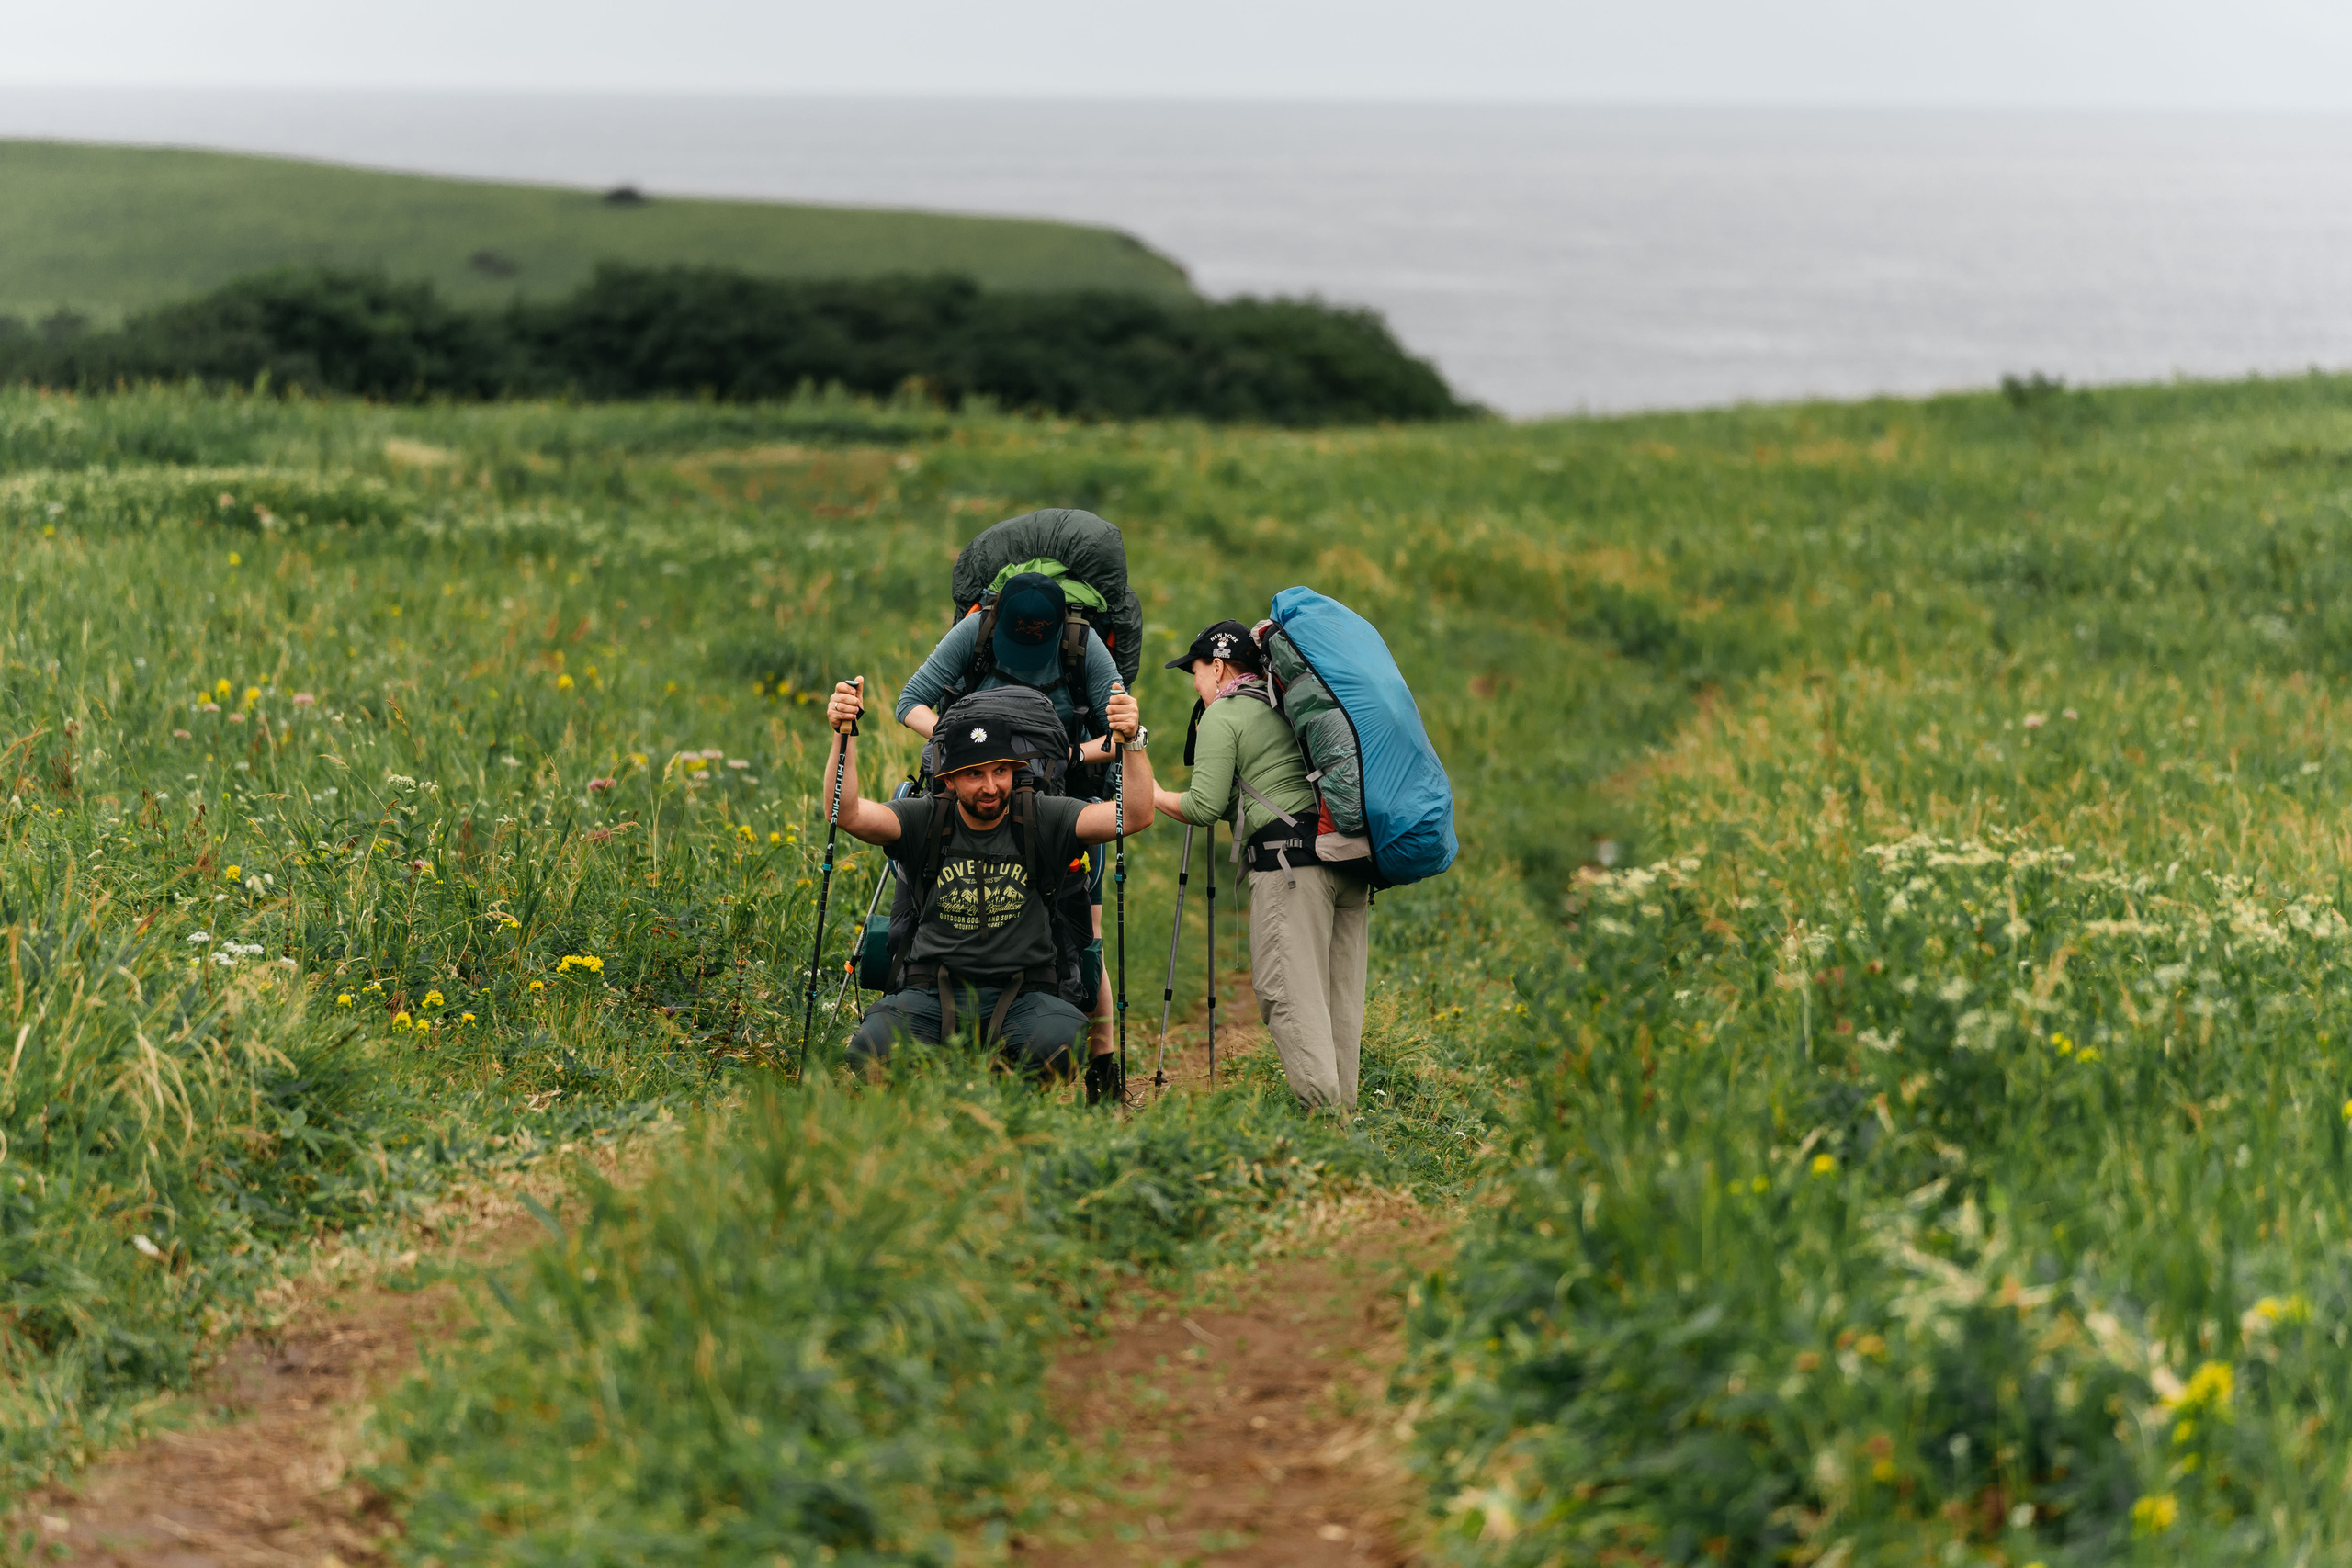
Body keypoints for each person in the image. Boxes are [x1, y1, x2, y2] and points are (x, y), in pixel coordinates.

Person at [828, 674, 1156, 1086]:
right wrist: (846, 735)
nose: (990, 787)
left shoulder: (1043, 815)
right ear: (948, 778)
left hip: (1025, 995)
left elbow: (1136, 815)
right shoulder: (926, 818)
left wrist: (1132, 740)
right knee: (870, 1053)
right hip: (931, 992)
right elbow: (848, 814)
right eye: (974, 774)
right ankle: (932, 1106)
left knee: (1058, 1047)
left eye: (1001, 771)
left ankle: (1005, 1105)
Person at [896, 571, 1126, 1069]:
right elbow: (908, 703)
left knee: (1086, 925)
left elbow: (1119, 734)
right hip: (965, 792)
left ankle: (1103, 1062)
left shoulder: (1081, 645)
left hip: (1059, 797)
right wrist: (959, 749)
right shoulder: (976, 630)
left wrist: (1068, 754)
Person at [1152, 620, 1368, 1112]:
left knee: (1287, 994)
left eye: (1197, 670)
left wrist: (1158, 795)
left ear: (1221, 666)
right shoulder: (1288, 704)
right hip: (1345, 854)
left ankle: (1324, 1123)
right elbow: (1243, 796)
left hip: (1290, 869)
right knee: (1338, 1001)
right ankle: (1346, 1128)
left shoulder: (1224, 715)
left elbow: (1204, 807)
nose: (1195, 682)